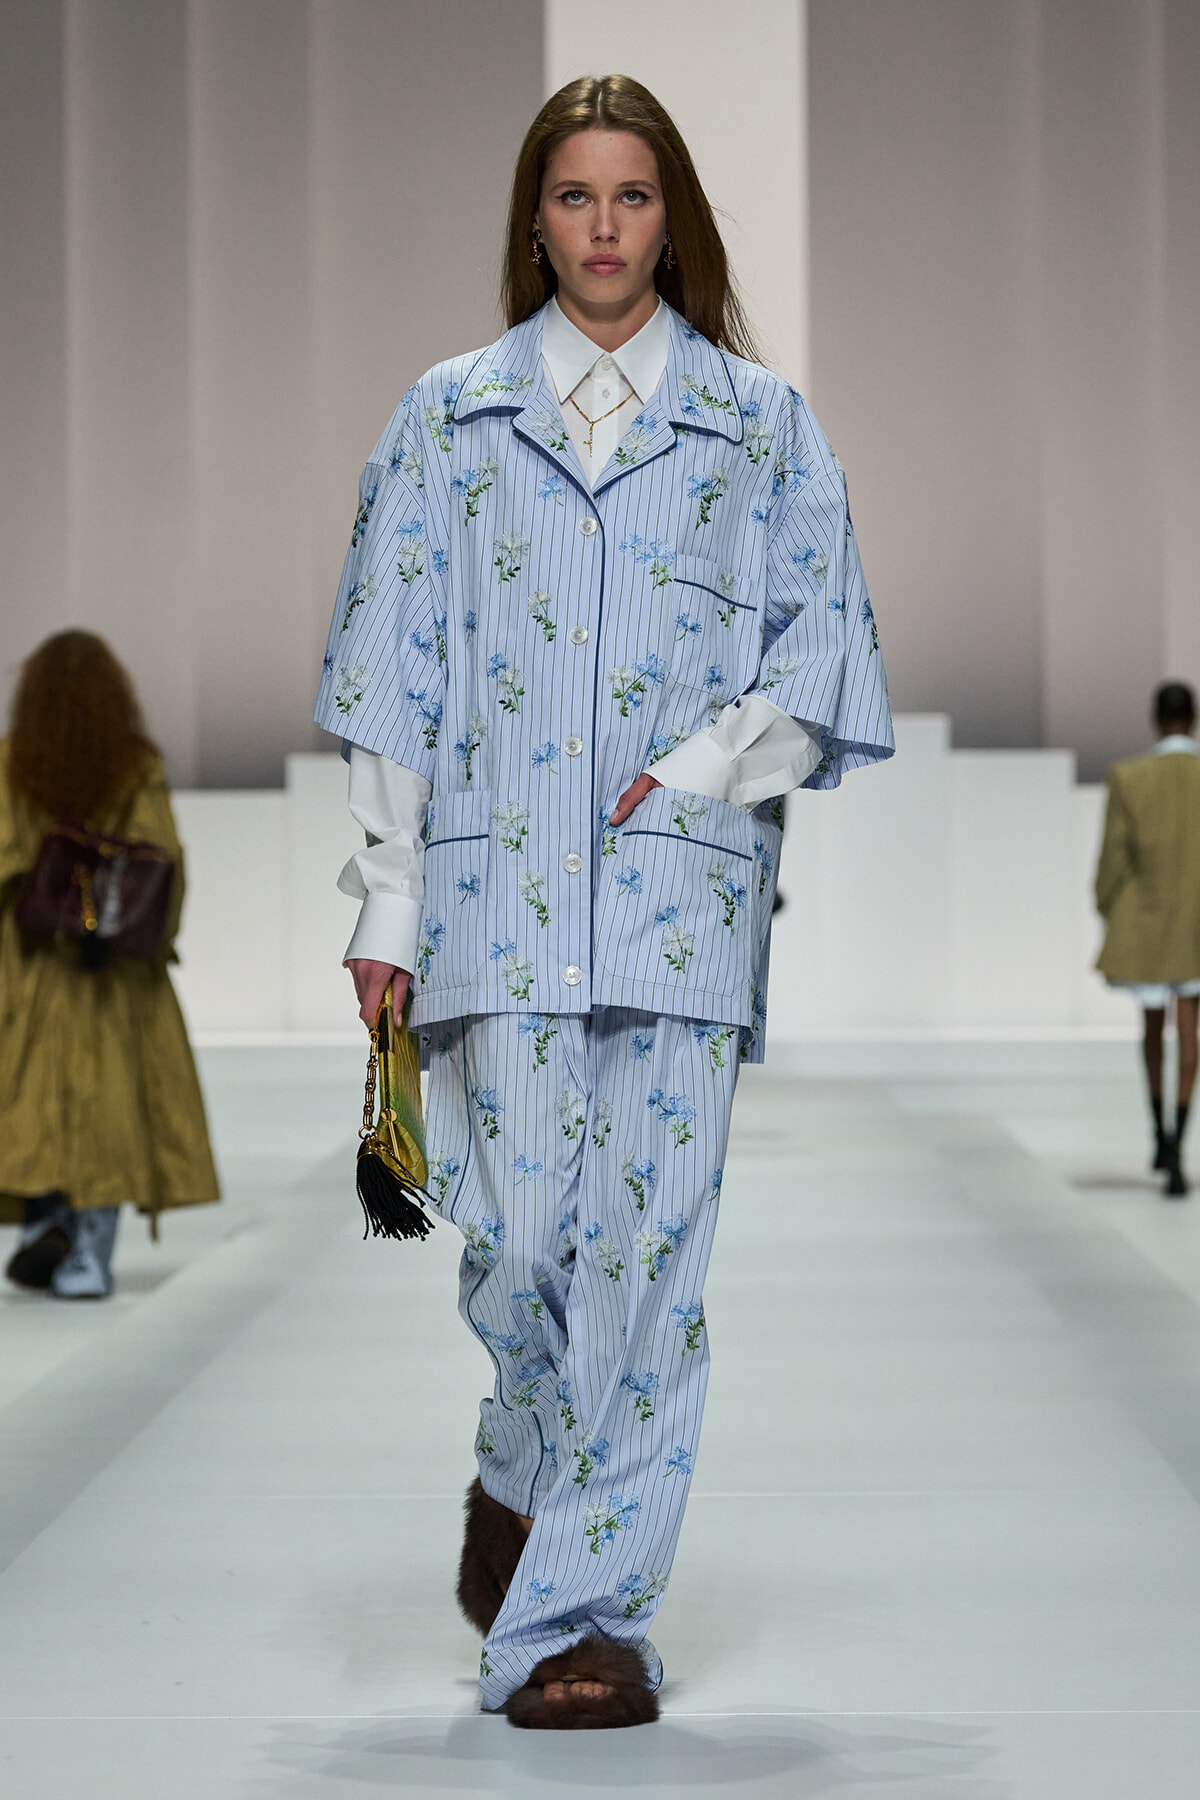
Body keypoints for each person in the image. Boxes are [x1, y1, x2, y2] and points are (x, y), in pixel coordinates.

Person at [315, 74, 893, 1727]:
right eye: (575, 198)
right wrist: (383, 904)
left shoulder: (760, 424)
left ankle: (585, 1622)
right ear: (536, 218)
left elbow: (828, 646)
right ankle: (521, 1473)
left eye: (633, 198)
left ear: (673, 218)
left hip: (676, 902)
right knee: (514, 1252)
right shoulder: (443, 417)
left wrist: (708, 766)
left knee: (646, 1265)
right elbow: (391, 670)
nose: (605, 231)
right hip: (489, 898)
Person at [0, 631, 219, 1297]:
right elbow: (163, 858)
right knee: (113, 1103)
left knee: (32, 1101)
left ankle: (46, 1225)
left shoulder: (13, 764)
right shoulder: (134, 767)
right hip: (115, 972)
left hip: (34, 963)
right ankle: (88, 1252)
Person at [1095, 681, 1200, 1198]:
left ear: (1156, 718)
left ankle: (1158, 1132)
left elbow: (1114, 857)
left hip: (1147, 920)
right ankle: (1179, 1142)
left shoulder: (1129, 778)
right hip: (1197, 921)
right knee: (1190, 1029)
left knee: (1153, 1029)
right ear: (1194, 718)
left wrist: (1103, 902)